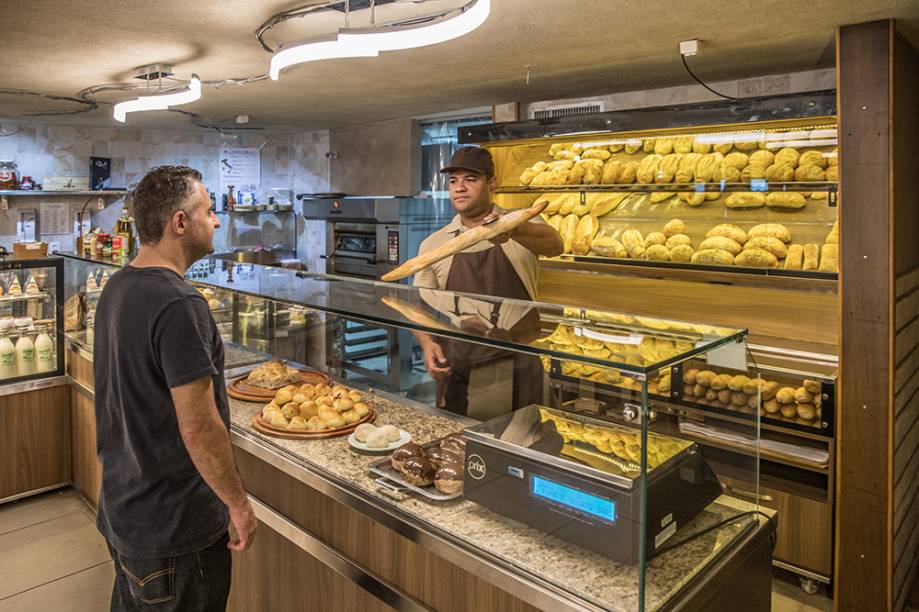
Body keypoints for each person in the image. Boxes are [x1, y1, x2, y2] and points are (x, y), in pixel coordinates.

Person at [93, 165, 255, 612]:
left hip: (124, 509)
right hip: (174, 530)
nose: (217, 220)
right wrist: (237, 504)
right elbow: (198, 427)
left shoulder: (118, 286)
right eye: (208, 210)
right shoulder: (179, 303)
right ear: (180, 223)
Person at [412, 147, 563, 416]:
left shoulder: (522, 223)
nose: (459, 188)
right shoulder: (434, 244)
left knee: (529, 444)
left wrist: (510, 229)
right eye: (453, 181)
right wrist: (428, 344)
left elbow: (554, 244)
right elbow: (417, 305)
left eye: (470, 179)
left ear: (491, 183)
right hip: (460, 367)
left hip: (519, 364)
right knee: (461, 449)